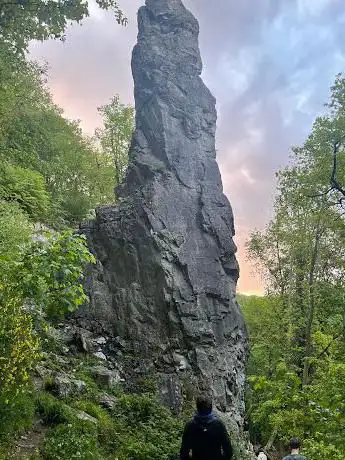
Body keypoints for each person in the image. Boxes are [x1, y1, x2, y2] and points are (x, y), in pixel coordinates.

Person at [180, 394, 233, 460]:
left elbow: (183, 454)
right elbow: (229, 452)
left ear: (197, 407)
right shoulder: (218, 425)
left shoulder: (190, 426)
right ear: (211, 408)